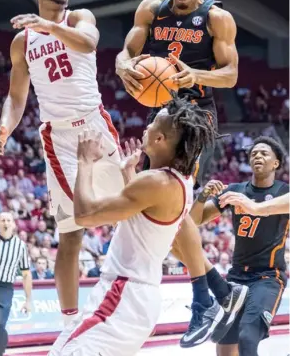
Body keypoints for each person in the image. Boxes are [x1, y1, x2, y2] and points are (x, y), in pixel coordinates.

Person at [115, 0, 240, 345]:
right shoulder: (151, 10)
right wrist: (121, 65)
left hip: (196, 113)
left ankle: (205, 298)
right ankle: (220, 291)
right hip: (164, 111)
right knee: (166, 204)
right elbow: (129, 51)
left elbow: (232, 74)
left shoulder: (217, 18)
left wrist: (195, 75)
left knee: (172, 197)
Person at [49, 96, 224, 356]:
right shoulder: (179, 182)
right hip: (136, 294)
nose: (146, 127)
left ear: (160, 140)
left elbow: (84, 215)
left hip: (122, 294)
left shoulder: (155, 182)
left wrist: (84, 161)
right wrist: (127, 174)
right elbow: (141, 222)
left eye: (152, 125)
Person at [0, 0, 124, 326]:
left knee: (132, 207)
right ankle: (69, 325)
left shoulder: (79, 17)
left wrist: (49, 26)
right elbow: (17, 98)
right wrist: (5, 126)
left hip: (94, 127)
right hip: (58, 136)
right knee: (70, 232)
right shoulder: (22, 42)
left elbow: (89, 42)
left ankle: (196, 285)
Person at [189, 136, 289, 356]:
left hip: (268, 277)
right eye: (254, 153)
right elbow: (195, 220)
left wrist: (254, 207)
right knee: (224, 348)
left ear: (276, 163)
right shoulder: (235, 190)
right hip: (236, 278)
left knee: (247, 336)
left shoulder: (283, 192)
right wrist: (202, 196)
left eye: (264, 153)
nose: (257, 156)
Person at [0, 212, 32, 356]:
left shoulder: (20, 246)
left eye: (8, 220)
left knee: (0, 324)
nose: (5, 223)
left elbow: (26, 274)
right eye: (2, 220)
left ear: (13, 224)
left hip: (5, 288)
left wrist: (28, 300)